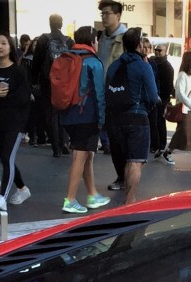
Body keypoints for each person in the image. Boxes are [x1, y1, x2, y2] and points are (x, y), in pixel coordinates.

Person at [57, 25, 110, 214]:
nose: (97, 42)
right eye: (96, 39)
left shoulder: (67, 56)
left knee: (88, 154)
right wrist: (102, 120)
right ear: (92, 40)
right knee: (81, 155)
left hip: (67, 113)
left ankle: (92, 194)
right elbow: (99, 94)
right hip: (87, 115)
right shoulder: (93, 62)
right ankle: (70, 199)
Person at [104, 27, 158, 204]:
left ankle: (126, 200)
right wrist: (146, 110)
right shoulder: (143, 66)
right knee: (134, 162)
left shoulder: (114, 65)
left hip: (114, 120)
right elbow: (152, 96)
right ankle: (129, 202)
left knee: (125, 161)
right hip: (137, 118)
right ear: (138, 44)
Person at [0, 33, 32, 211]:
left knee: (8, 157)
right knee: (5, 159)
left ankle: (2, 196)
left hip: (16, 123)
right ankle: (23, 189)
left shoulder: (18, 71)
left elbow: (24, 97)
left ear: (10, 47)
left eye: (3, 43)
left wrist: (3, 97)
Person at [97, 0, 129, 187]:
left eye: (107, 13)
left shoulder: (126, 38)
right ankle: (121, 177)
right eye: (102, 14)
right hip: (103, 96)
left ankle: (126, 177)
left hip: (120, 97)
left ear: (118, 15)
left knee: (120, 139)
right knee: (113, 140)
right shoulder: (102, 38)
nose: (104, 17)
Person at [37, 15, 72, 156]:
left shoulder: (43, 39)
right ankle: (64, 142)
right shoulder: (69, 41)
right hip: (65, 83)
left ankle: (56, 147)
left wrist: (35, 78)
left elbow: (37, 62)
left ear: (50, 24)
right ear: (62, 24)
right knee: (64, 112)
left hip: (48, 82)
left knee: (51, 114)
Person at [148, 41, 175, 160]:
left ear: (165, 52)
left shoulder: (167, 67)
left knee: (160, 122)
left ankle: (161, 145)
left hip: (162, 98)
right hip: (152, 97)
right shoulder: (151, 62)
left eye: (160, 50)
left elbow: (168, 86)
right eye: (156, 50)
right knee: (152, 122)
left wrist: (164, 99)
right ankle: (154, 144)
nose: (157, 52)